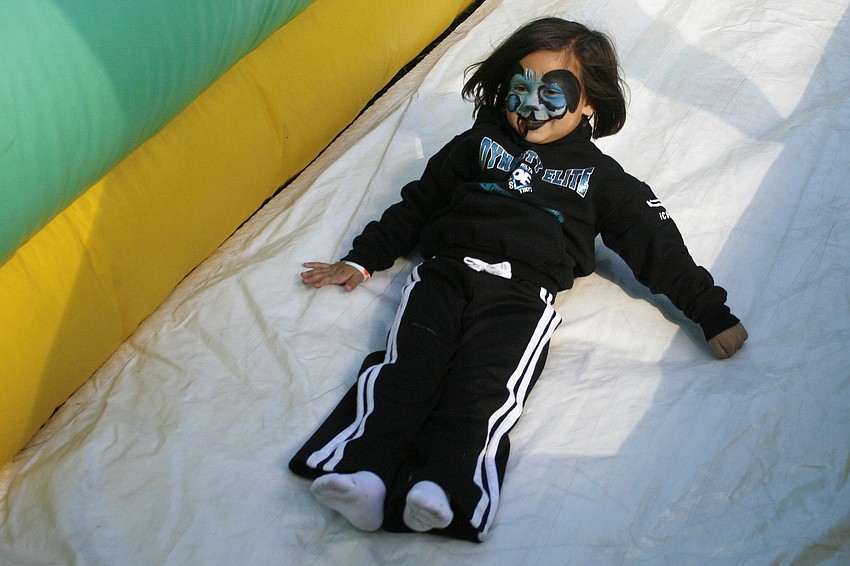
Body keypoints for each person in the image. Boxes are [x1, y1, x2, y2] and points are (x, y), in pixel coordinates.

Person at [288, 17, 748, 542]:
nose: (530, 105)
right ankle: (364, 474)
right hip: (443, 275)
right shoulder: (480, 142)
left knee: (482, 388)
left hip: (520, 297)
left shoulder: (602, 180)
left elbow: (658, 247)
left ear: (589, 103)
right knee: (407, 370)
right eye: (520, 87)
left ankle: (444, 486)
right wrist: (364, 258)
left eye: (552, 93)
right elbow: (421, 201)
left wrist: (711, 312)